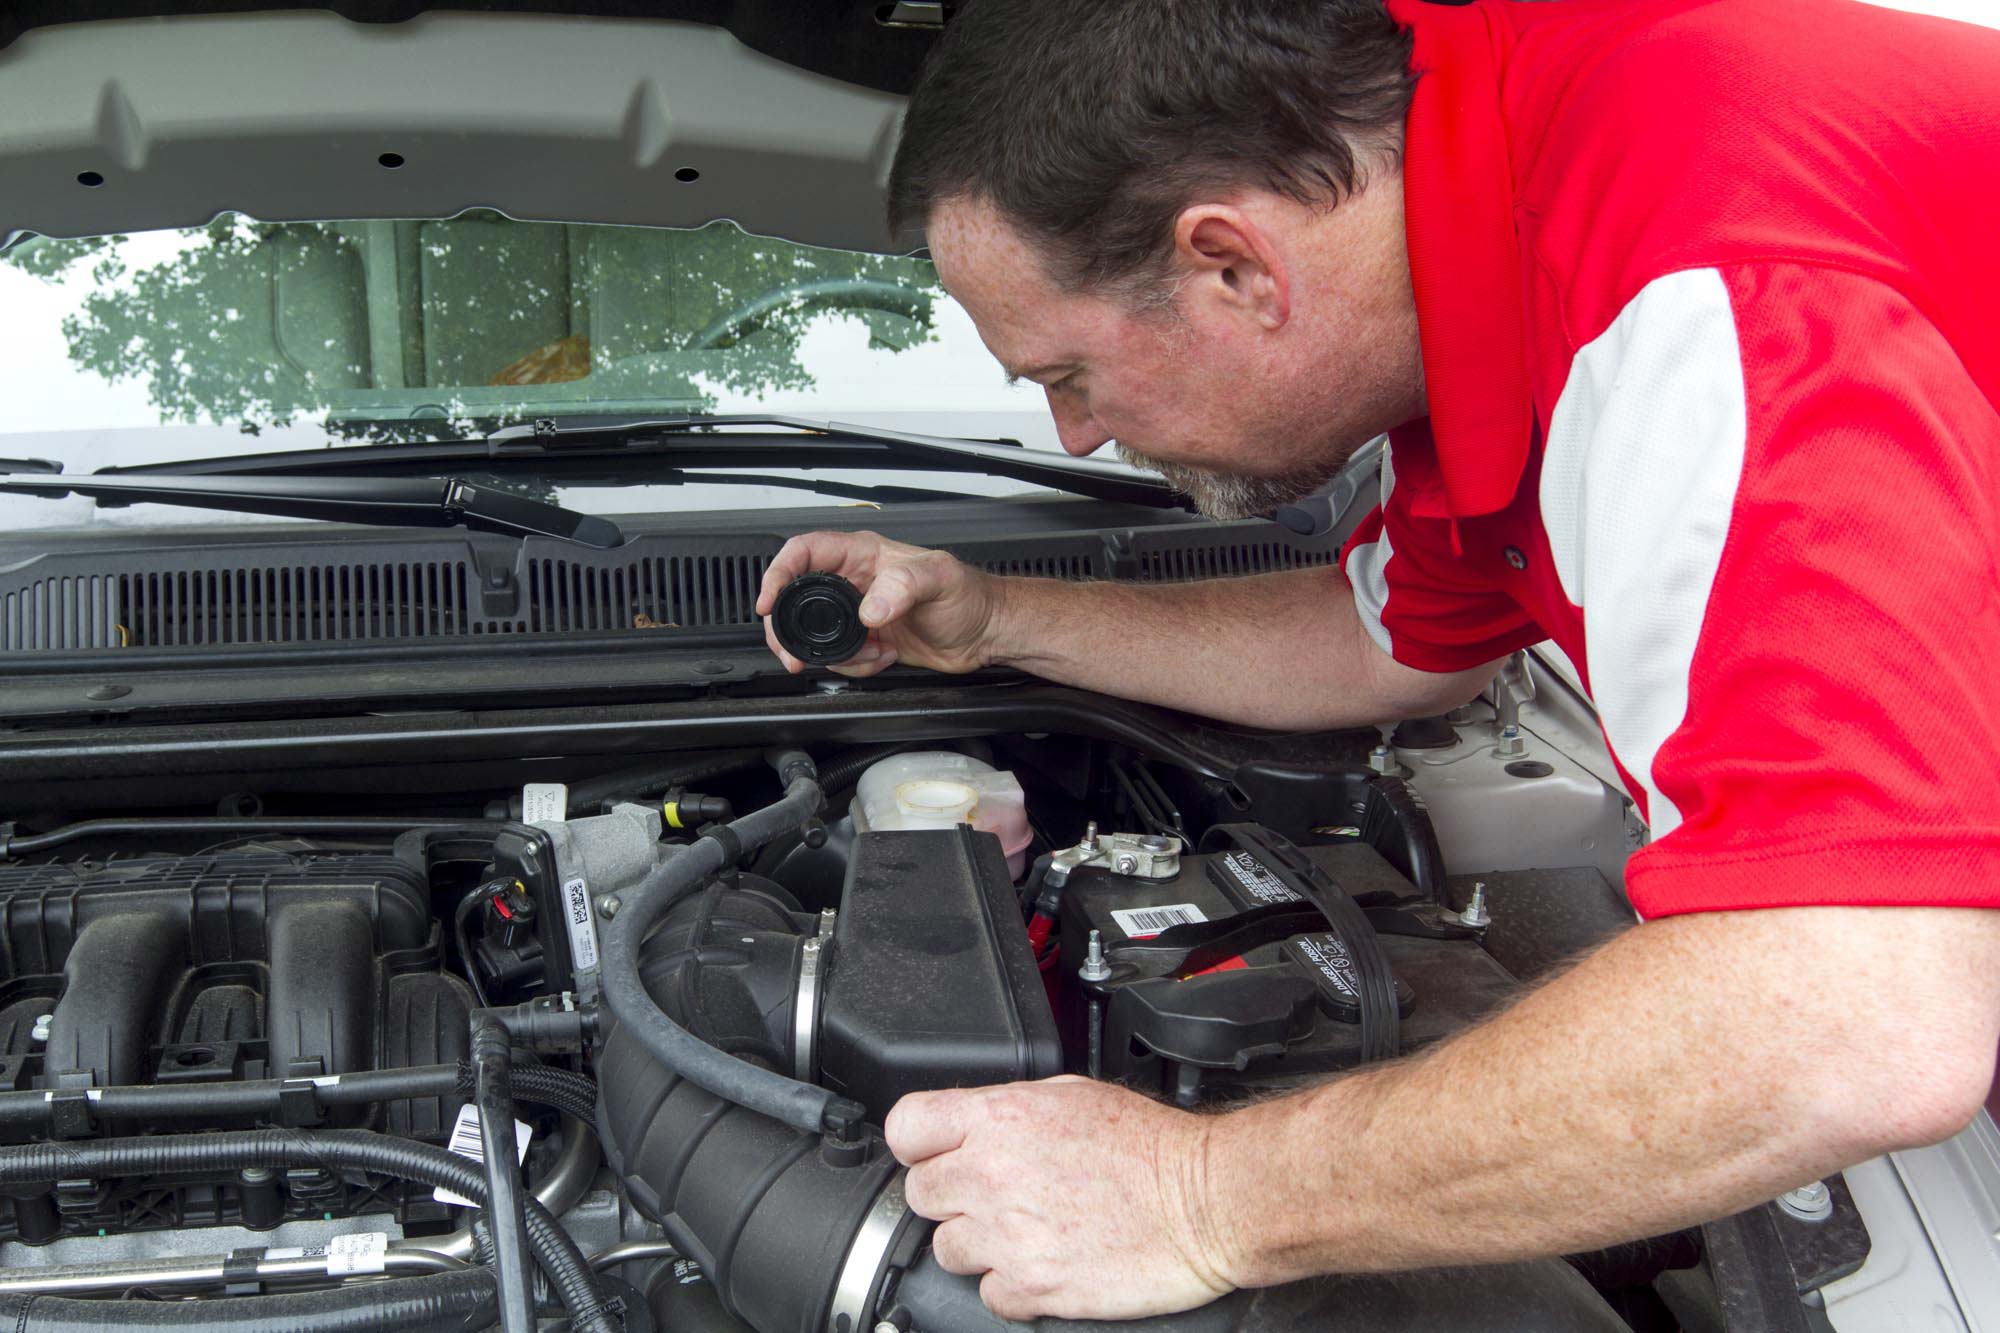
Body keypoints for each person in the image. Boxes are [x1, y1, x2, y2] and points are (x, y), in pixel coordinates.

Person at [755, 0, 2000, 1321]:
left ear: (1234, 267)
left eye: (1070, 374)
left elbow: (1855, 1013)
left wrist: (1195, 1195)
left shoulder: (1692, 269)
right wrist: (994, 615)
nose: (1071, 438)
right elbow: (1381, 643)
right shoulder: (1492, 208)